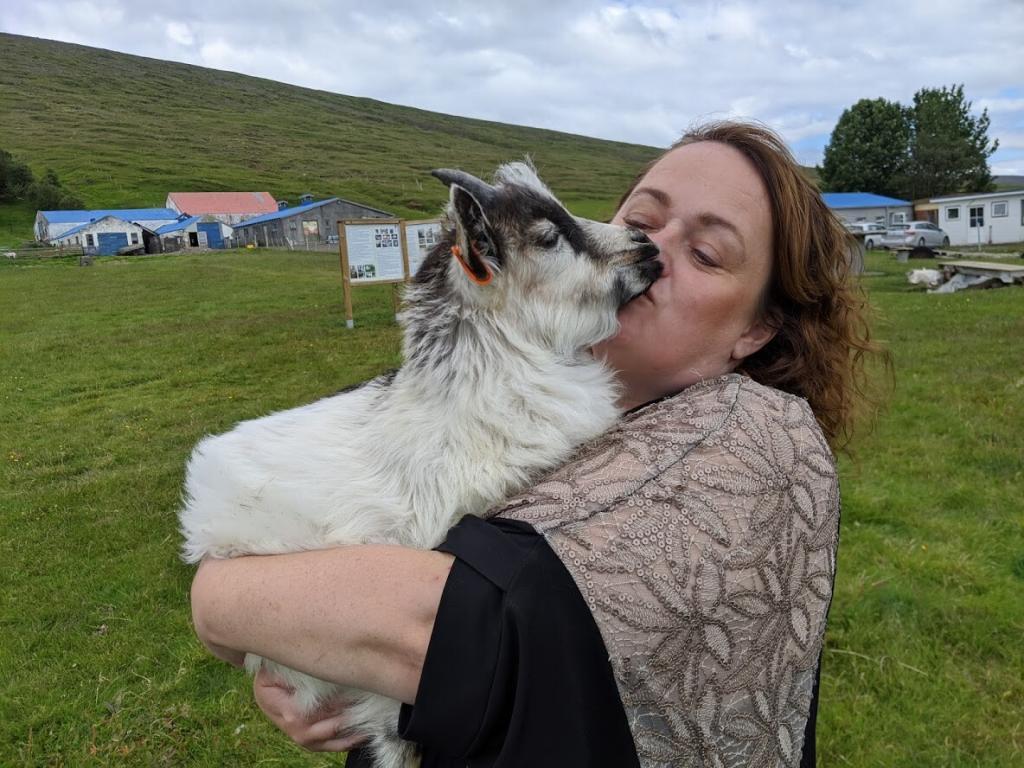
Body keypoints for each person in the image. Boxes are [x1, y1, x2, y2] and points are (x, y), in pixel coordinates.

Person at [190, 120, 883, 767]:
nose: (652, 253)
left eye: (705, 252)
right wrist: (298, 656)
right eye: (638, 222)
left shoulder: (758, 441)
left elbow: (468, 630)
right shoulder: (532, 415)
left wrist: (227, 602)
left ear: (755, 331)